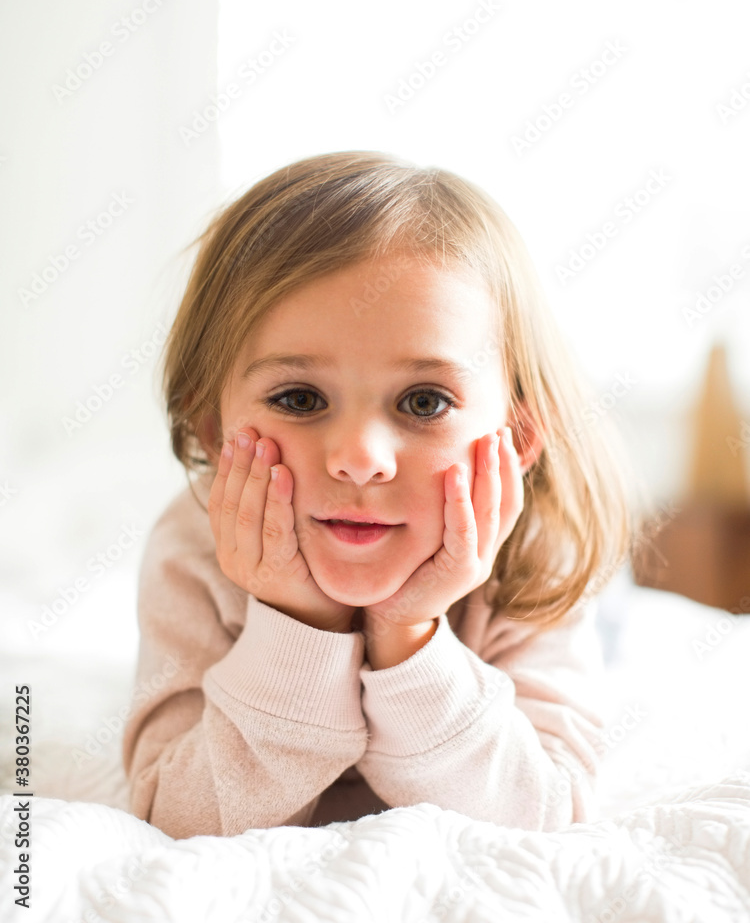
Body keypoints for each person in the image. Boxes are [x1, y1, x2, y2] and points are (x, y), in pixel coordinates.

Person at [121, 150, 644, 840]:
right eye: (299, 398)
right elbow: (178, 815)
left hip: (564, 591)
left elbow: (541, 811)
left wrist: (410, 632)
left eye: (423, 401)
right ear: (214, 430)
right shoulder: (194, 546)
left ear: (515, 438)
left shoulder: (534, 555)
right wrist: (297, 622)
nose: (360, 460)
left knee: (613, 618)